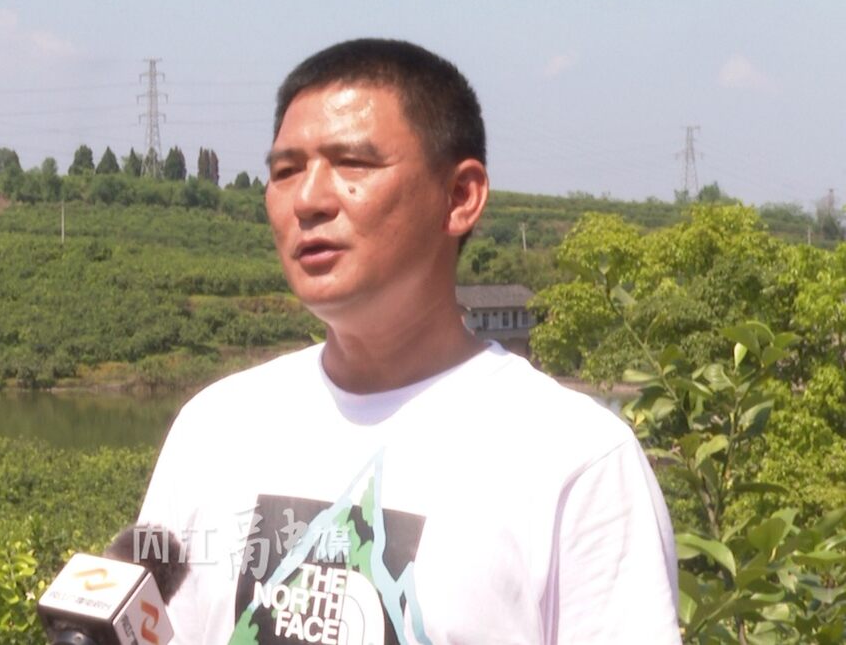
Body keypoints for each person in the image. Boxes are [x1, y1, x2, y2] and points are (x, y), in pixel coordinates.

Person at [137, 39, 680, 644]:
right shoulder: (214, 428)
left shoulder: (575, 459)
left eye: (353, 164)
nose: (308, 200)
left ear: (460, 196)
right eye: (285, 171)